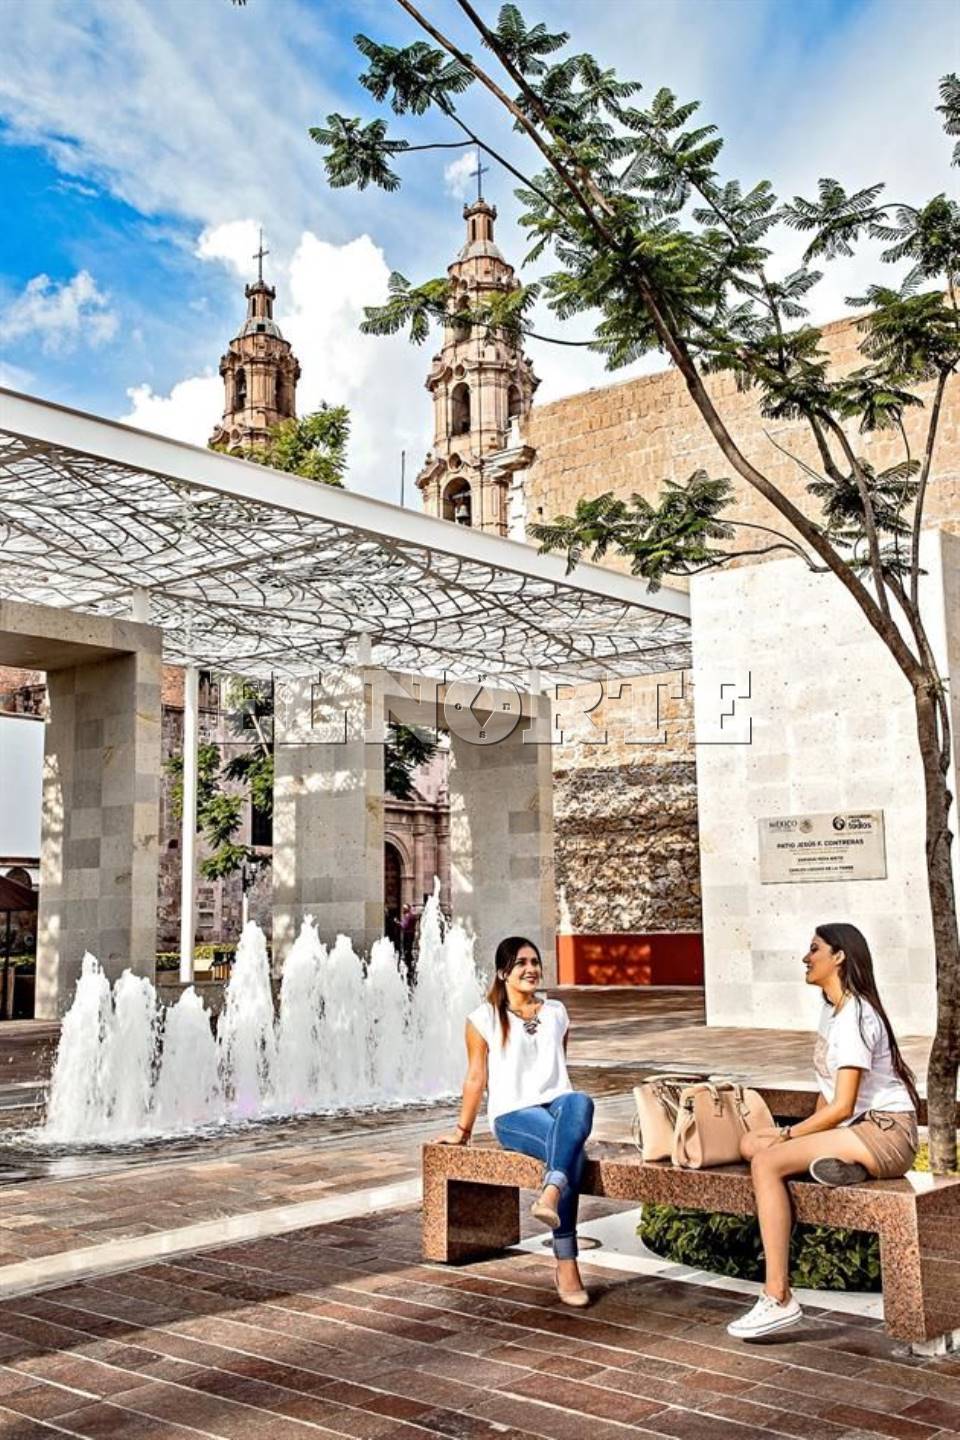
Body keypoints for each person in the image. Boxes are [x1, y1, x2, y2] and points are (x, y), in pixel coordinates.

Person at [728, 922, 920, 1340]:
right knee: (749, 1143)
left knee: (766, 1161)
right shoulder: (831, 1009)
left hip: (886, 1132)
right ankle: (843, 1164)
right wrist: (798, 1138)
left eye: (814, 949)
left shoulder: (853, 1013)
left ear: (839, 957)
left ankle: (778, 1296)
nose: (805, 957)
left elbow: (843, 1106)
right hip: (858, 1130)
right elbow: (827, 1094)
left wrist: (790, 1138)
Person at [437, 936, 595, 1306]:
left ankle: (551, 1190)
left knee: (580, 1101)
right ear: (503, 971)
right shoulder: (483, 1018)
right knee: (571, 1154)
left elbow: (558, 1069)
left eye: (535, 962)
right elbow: (476, 1077)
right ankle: (567, 1262)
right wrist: (463, 1132)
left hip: (558, 1105)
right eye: (521, 962)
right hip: (512, 1114)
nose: (530, 969)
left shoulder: (557, 1012)